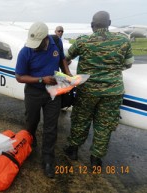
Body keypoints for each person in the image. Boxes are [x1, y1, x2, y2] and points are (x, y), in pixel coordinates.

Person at [63, 11, 134, 169]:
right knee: (104, 125)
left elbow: (65, 58)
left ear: (92, 25)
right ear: (109, 23)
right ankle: (96, 160)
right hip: (113, 92)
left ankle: (73, 150)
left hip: (87, 90)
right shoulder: (123, 40)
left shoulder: (83, 41)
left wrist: (70, 76)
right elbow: (129, 63)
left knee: (81, 120)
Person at [15, 22, 72, 178]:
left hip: (53, 93)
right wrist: (41, 80)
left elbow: (62, 59)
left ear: (46, 38)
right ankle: (29, 142)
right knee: (31, 122)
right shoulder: (25, 52)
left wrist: (68, 75)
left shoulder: (56, 42)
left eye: (37, 44)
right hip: (33, 92)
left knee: (51, 127)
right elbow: (19, 77)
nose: (34, 47)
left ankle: (48, 159)